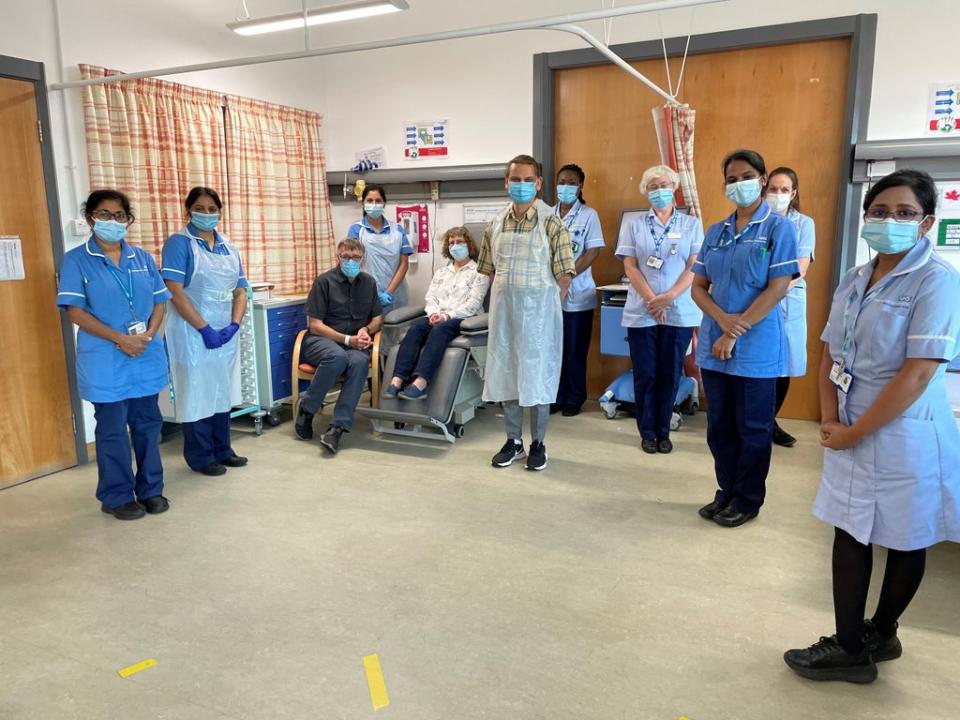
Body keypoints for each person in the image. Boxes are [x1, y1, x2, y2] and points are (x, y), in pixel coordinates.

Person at [784, 169, 960, 684]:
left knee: (907, 537)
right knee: (850, 531)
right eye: (880, 212)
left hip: (904, 429)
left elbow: (920, 371)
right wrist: (831, 417)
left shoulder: (938, 281)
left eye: (905, 214)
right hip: (848, 423)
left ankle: (878, 634)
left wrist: (854, 432)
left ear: (926, 223)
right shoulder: (856, 278)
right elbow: (828, 350)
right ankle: (850, 644)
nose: (890, 221)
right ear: (866, 218)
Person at [691, 149, 799, 527]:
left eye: (747, 176)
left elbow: (778, 286)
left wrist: (735, 330)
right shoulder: (716, 232)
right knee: (719, 427)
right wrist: (721, 322)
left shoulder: (779, 228)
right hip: (715, 343)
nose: (739, 184)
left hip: (756, 344)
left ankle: (748, 499)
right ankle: (726, 492)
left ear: (763, 178)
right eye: (732, 179)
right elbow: (699, 287)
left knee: (753, 429)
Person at [56, 190, 170, 520]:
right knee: (112, 429)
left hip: (144, 354)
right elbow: (74, 312)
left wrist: (148, 335)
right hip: (105, 359)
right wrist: (120, 338)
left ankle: (151, 489)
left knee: (148, 424)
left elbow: (160, 302)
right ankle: (116, 495)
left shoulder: (143, 259)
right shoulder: (77, 260)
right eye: (104, 215)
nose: (113, 221)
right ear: (91, 217)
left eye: (120, 216)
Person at [477, 154, 575, 472]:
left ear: (538, 183)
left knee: (538, 376)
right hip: (504, 312)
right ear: (506, 182)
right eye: (514, 179)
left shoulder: (550, 221)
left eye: (527, 180)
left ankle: (538, 443)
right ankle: (513, 441)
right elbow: (488, 271)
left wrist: (548, 308)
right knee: (506, 372)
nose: (520, 185)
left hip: (540, 314)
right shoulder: (494, 223)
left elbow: (565, 274)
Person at [162, 187, 249, 476]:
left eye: (213, 209)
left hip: (225, 330)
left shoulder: (228, 246)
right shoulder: (179, 244)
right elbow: (174, 291)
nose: (208, 214)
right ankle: (200, 456)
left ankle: (223, 449)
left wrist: (234, 325)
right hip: (192, 331)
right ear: (188, 211)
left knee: (222, 389)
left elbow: (240, 291)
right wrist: (204, 328)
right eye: (201, 208)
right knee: (197, 390)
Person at [616, 164, 704, 454]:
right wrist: (654, 300)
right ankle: (647, 432)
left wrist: (668, 298)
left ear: (675, 188)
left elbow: (694, 265)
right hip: (642, 310)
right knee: (646, 374)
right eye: (652, 186)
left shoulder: (690, 225)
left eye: (664, 185)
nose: (659, 191)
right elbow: (630, 264)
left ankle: (664, 430)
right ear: (645, 192)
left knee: (669, 374)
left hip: (678, 310)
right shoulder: (635, 225)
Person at [294, 238, 384, 454]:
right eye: (346, 257)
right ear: (338, 258)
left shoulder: (369, 282)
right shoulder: (324, 282)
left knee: (360, 361)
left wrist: (367, 330)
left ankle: (338, 428)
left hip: (354, 344)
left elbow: (378, 318)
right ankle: (307, 407)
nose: (351, 261)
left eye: (355, 257)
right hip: (321, 341)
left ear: (363, 259)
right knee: (338, 357)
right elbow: (314, 325)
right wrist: (346, 339)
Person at [384, 227, 489, 400]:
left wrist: (446, 316)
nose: (455, 246)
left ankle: (421, 382)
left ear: (469, 245)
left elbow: (473, 304)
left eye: (460, 242)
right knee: (416, 327)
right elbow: (431, 297)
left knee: (440, 330)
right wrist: (433, 313)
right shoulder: (441, 272)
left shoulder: (479, 272)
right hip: (437, 316)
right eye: (452, 243)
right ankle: (397, 380)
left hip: (462, 319)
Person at [765, 167, 816, 447]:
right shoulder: (757, 221)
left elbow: (800, 267)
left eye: (785, 190)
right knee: (761, 362)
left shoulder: (803, 224)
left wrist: (770, 294)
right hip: (756, 300)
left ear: (794, 193)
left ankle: (768, 422)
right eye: (773, 189)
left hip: (788, 300)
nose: (778, 195)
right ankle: (759, 423)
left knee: (784, 365)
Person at [551, 163, 605, 416]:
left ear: (580, 185)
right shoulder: (546, 214)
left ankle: (574, 398)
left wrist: (568, 276)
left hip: (577, 293)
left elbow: (592, 251)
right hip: (549, 293)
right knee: (553, 348)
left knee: (574, 349)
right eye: (562, 181)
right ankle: (555, 396)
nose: (566, 186)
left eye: (572, 182)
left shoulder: (588, 215)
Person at [347, 185, 413, 314]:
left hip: (396, 293)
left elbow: (404, 263)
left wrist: (389, 292)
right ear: (363, 203)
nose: (374, 204)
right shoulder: (356, 230)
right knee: (369, 330)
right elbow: (354, 263)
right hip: (366, 292)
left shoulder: (398, 230)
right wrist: (373, 292)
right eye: (370, 201)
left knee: (398, 330)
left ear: (384, 203)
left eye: (378, 201)